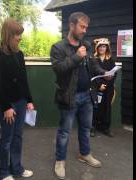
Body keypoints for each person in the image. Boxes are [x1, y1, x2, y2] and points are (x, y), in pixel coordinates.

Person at [50, 12, 111, 179]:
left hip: (87, 95)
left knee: (85, 128)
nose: (85, 30)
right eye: (82, 26)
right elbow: (58, 69)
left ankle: (85, 154)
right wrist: (76, 57)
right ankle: (60, 160)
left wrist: (104, 72)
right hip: (69, 97)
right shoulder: (58, 47)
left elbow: (92, 64)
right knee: (64, 131)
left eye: (86, 27)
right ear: (71, 25)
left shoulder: (86, 45)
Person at [0, 17, 35, 180]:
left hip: (21, 102)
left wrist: (29, 100)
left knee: (18, 137)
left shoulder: (19, 54)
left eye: (20, 34)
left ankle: (17, 169)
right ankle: (3, 172)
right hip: (8, 104)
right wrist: (6, 107)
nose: (20, 37)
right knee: (6, 140)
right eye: (17, 34)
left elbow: (23, 79)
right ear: (8, 34)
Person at [90, 38, 117, 138]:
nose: (102, 48)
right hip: (97, 88)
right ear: (97, 48)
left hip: (108, 88)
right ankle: (92, 127)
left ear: (107, 48)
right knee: (95, 107)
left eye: (104, 47)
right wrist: (99, 85)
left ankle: (106, 128)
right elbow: (92, 73)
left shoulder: (110, 60)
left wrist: (108, 83)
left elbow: (115, 73)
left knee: (107, 107)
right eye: (100, 46)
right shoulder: (94, 59)